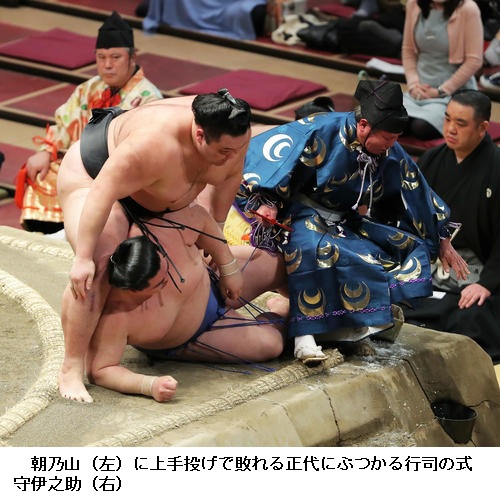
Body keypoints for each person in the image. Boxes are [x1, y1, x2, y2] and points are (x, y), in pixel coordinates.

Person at [234, 79, 469, 365]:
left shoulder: (388, 148)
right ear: (364, 126)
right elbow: (269, 156)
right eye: (388, 138)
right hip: (301, 214)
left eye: (396, 138)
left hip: (346, 220)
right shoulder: (318, 128)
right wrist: (268, 201)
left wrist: (442, 238)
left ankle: (350, 328)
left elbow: (414, 186)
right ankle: (303, 338)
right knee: (313, 249)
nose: (392, 145)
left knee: (403, 248)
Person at [57, 89, 252, 403]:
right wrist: (82, 257)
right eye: (226, 151)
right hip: (95, 177)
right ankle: (72, 365)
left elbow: (230, 178)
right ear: (199, 135)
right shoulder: (151, 146)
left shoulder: (234, 132)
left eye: (238, 149)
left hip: (157, 196)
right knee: (99, 265)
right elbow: (102, 193)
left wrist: (218, 229)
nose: (233, 157)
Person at [85, 205, 288, 402]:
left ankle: (291, 305)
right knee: (273, 344)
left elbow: (200, 217)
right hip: (196, 333)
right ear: (138, 292)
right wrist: (148, 385)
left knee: (281, 264)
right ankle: (279, 312)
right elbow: (101, 370)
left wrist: (227, 265)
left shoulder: (157, 230)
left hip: (211, 281)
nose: (170, 281)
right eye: (161, 283)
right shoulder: (115, 316)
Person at [19, 11, 163, 235]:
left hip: (121, 174)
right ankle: (49, 235)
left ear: (132, 57)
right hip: (81, 162)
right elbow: (64, 122)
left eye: (115, 57)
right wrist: (46, 150)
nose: (107, 65)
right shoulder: (89, 88)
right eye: (101, 57)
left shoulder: (148, 98)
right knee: (43, 174)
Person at [403, 90, 500, 363]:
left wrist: (486, 284)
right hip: (435, 263)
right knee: (394, 296)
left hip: (478, 268)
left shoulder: (496, 169)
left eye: (461, 123)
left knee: (474, 315)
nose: (450, 129)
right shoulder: (433, 159)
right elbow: (413, 217)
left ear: (482, 128)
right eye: (447, 119)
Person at [401, 0, 484, 140]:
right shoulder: (413, 4)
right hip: (419, 91)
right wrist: (413, 85)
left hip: (454, 93)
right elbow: (408, 51)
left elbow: (474, 61)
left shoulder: (468, 9)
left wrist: (440, 91)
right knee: (391, 121)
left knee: (420, 127)